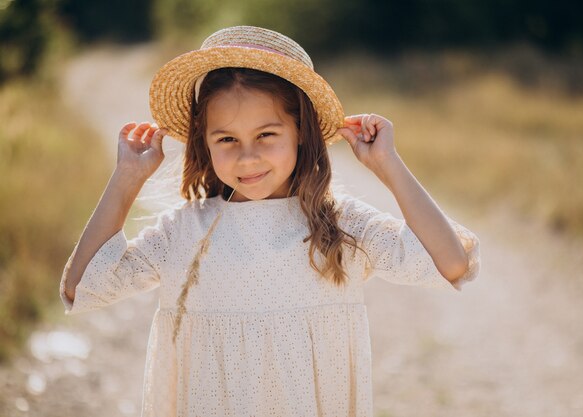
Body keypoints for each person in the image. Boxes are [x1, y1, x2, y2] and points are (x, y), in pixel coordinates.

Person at [60, 25, 481, 417]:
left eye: (267, 134)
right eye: (226, 139)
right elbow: (82, 288)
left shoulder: (339, 224)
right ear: (204, 144)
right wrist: (126, 179)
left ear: (301, 132)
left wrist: (387, 164)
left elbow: (451, 263)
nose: (248, 156)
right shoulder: (184, 232)